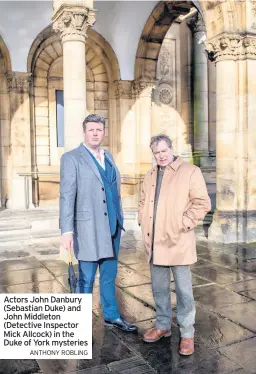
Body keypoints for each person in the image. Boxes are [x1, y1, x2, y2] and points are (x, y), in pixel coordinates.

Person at [60, 113, 137, 333]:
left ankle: (111, 315)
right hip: (88, 228)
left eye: (99, 130)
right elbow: (67, 196)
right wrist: (66, 231)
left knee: (109, 275)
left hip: (112, 227)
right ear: (84, 132)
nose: (95, 133)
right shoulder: (71, 158)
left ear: (104, 132)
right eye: (91, 129)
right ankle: (79, 324)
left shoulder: (108, 155)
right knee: (85, 278)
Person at [138, 134, 211, 355]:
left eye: (163, 151)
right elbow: (142, 201)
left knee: (183, 290)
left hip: (178, 240)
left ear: (171, 149)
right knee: (159, 288)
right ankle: (162, 326)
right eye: (156, 153)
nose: (160, 156)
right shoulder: (149, 175)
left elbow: (202, 203)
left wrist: (183, 223)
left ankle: (187, 333)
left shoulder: (190, 172)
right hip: (154, 242)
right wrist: (142, 218)